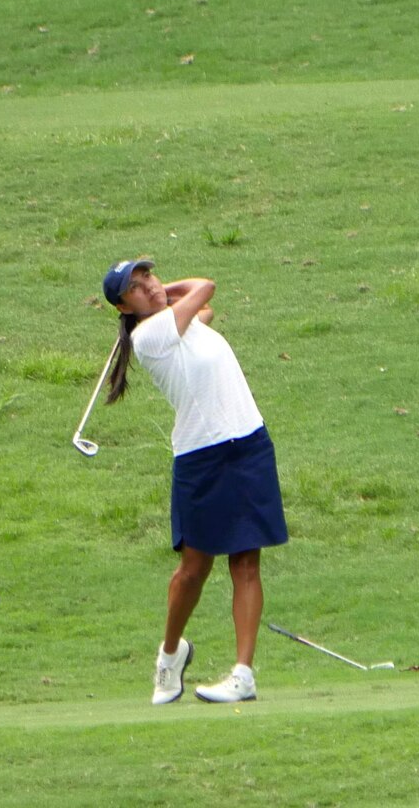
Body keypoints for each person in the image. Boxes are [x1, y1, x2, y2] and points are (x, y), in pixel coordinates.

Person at [101, 257, 288, 705]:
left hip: (248, 444)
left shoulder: (181, 325)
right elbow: (206, 287)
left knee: (246, 563)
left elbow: (203, 311)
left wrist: (160, 294)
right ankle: (170, 655)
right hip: (202, 457)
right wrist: (164, 297)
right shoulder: (151, 335)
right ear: (124, 308)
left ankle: (243, 675)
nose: (148, 285)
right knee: (193, 570)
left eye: (148, 276)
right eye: (136, 287)